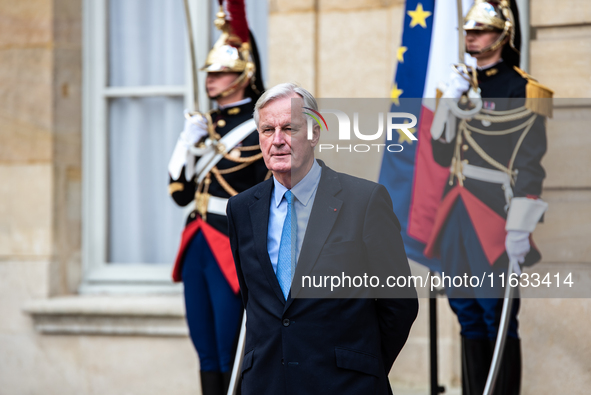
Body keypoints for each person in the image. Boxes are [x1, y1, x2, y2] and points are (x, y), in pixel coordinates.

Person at [226, 83, 419, 395]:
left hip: (346, 386)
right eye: (267, 130)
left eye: (289, 128)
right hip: (266, 384)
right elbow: (256, 302)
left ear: (314, 133)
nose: (277, 141)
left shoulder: (365, 200)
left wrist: (363, 365)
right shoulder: (241, 209)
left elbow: (399, 303)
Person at [424, 1, 552, 394]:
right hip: (458, 211)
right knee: (465, 312)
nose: (470, 37)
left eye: (480, 30)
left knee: (496, 314)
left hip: (495, 216)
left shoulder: (523, 89)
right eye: (468, 31)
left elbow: (530, 166)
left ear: (502, 35)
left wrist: (520, 228)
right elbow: (441, 153)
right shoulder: (460, 86)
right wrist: (451, 103)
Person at [167, 2, 268, 394]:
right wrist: (184, 144)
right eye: (210, 72)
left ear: (243, 74)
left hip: (232, 241)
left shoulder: (257, 127)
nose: (212, 79)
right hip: (197, 239)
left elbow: (265, 192)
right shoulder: (204, 126)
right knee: (205, 348)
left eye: (222, 71)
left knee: (231, 347)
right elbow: (179, 193)